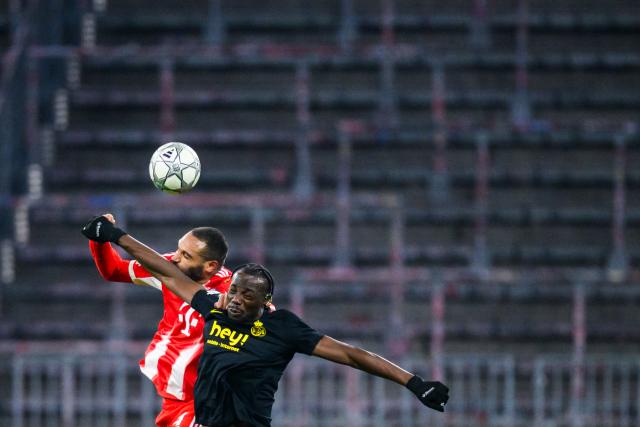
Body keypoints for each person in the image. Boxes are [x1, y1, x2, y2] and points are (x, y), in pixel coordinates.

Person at [82, 215, 450, 427]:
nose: (236, 302)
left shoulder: (274, 325)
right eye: (235, 295)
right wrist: (108, 237)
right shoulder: (210, 302)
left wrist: (414, 382)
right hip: (177, 402)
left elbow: (351, 354)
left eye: (246, 297)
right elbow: (157, 271)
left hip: (207, 411)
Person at [87, 213, 232, 427]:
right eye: (178, 249)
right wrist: (98, 240)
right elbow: (114, 270)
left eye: (186, 255)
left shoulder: (231, 295)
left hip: (207, 400)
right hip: (173, 400)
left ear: (210, 266)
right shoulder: (168, 270)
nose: (174, 257)